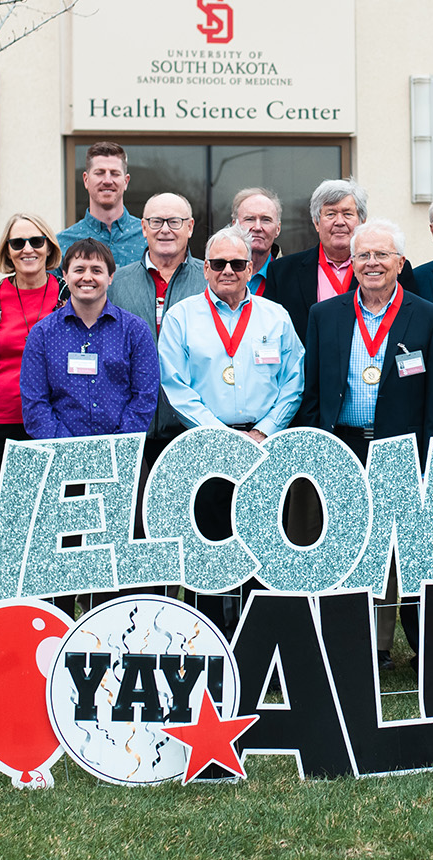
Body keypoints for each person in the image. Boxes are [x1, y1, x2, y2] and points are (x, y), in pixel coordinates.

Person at [298, 219, 433, 671]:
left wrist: (431, 460)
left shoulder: (428, 317)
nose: (371, 263)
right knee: (336, 544)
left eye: (382, 255)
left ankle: (377, 647)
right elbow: (313, 393)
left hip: (399, 451)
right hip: (341, 446)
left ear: (400, 262)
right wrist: (314, 447)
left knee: (388, 551)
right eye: (363, 255)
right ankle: (334, 638)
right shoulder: (324, 315)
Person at [158, 226, 305, 633]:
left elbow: (295, 379)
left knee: (263, 546)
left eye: (237, 263)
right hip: (205, 449)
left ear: (250, 267)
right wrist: (221, 437)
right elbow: (174, 385)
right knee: (209, 550)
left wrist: (263, 431)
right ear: (204, 268)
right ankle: (208, 640)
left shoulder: (275, 316)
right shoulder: (181, 317)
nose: (228, 270)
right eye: (219, 263)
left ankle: (259, 639)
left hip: (264, 446)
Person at [21, 238, 159, 439]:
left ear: (111, 277)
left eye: (96, 270)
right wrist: (70, 450)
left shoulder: (135, 331)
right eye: (79, 270)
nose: (87, 277)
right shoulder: (42, 334)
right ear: (65, 276)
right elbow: (35, 404)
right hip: (60, 456)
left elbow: (145, 397)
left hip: (120, 454)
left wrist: (117, 446)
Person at [108, 193, 208, 465]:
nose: (165, 229)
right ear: (143, 227)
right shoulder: (116, 283)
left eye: (174, 222)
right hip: (131, 430)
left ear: (190, 227)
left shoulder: (210, 282)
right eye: (156, 221)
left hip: (194, 431)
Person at [0, 213, 65, 466]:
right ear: (8, 251)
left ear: (49, 247)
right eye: (17, 243)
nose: (28, 249)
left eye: (36, 241)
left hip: (55, 419)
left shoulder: (69, 294)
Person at [264, 179, 396, 339]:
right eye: (330, 214)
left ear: (362, 222)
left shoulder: (389, 268)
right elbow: (270, 329)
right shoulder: (282, 272)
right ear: (316, 222)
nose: (339, 222)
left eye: (347, 214)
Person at [56, 141, 146, 267]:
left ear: (126, 181)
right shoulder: (62, 244)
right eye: (99, 173)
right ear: (86, 180)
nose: (107, 181)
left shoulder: (148, 237)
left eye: (114, 173)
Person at [231, 187, 283, 295]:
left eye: (266, 220)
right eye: (250, 219)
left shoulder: (289, 277)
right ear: (234, 226)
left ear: (278, 229)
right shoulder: (216, 273)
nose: (257, 227)